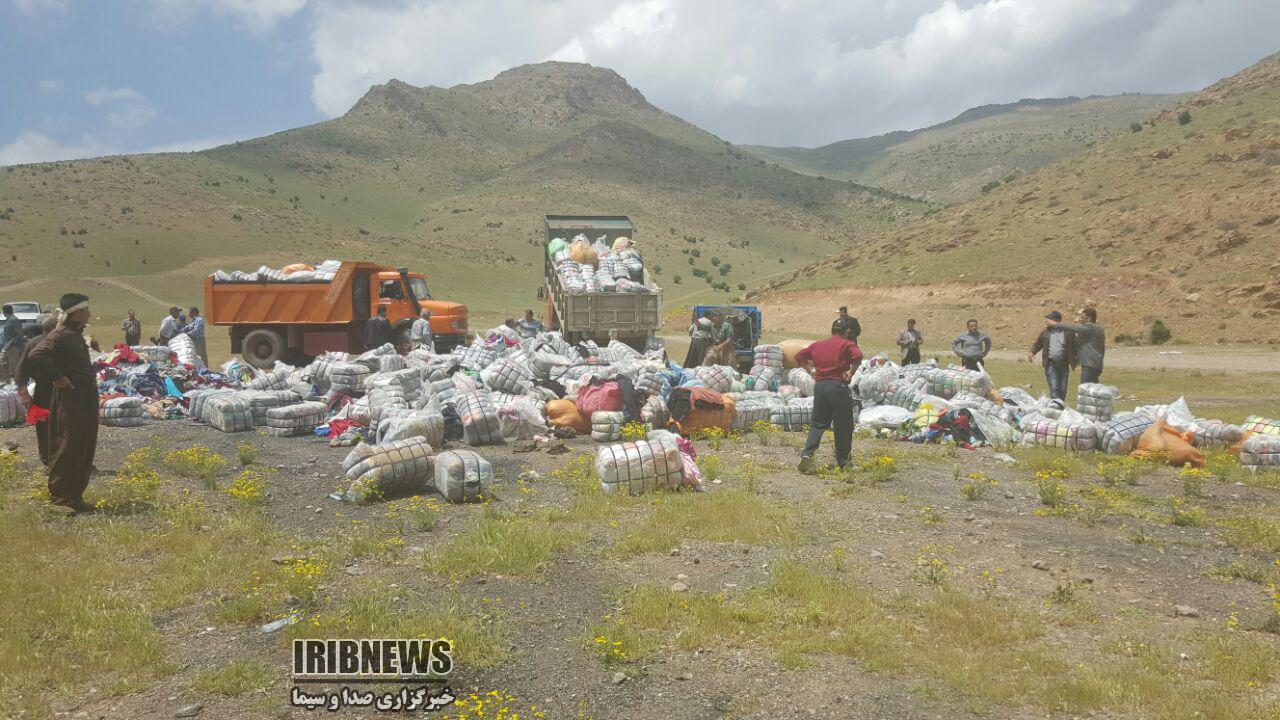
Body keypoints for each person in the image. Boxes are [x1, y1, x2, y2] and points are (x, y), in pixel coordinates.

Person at [26, 293, 99, 513]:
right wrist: (58, 377)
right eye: (86, 310)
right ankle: (61, 496)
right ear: (77, 313)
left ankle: (74, 495)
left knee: (83, 442)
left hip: (84, 397)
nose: (89, 314)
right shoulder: (61, 335)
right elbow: (36, 355)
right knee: (68, 443)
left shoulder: (75, 335)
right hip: (71, 399)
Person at [796, 317, 863, 473]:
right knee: (843, 425)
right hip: (837, 387)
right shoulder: (847, 344)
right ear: (847, 331)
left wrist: (811, 370)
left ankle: (807, 454)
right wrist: (851, 372)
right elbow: (858, 356)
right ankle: (843, 461)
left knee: (818, 423)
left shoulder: (818, 345)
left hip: (819, 387)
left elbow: (799, 356)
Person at [16, 316, 57, 466]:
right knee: (44, 424)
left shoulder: (61, 342)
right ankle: (47, 458)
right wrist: (24, 394)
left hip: (64, 389)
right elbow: (21, 372)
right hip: (44, 389)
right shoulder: (34, 344)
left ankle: (65, 457)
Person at [1048, 307, 1106, 384]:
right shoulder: (1097, 329)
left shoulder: (1090, 327)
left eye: (1082, 317)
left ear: (1089, 318)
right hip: (1095, 364)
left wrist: (1055, 324)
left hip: (1090, 365)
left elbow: (1074, 328)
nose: (1080, 319)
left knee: (1085, 388)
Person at [1029, 311, 1077, 401]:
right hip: (1050, 364)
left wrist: (1077, 359)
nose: (1046, 321)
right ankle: (1055, 407)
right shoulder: (1046, 332)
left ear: (1055, 320)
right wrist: (1032, 352)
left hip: (1064, 364)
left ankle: (1060, 409)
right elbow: (1038, 344)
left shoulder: (1068, 332)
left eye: (1048, 319)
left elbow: (1075, 346)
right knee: (1054, 388)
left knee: (1063, 389)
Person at [0, 304, 22, 383]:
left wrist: (12, 343)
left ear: (5, 311)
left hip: (13, 347)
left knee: (14, 367)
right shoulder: (8, 319)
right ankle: (6, 382)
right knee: (2, 362)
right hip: (6, 347)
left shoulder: (14, 320)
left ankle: (18, 385)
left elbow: (19, 334)